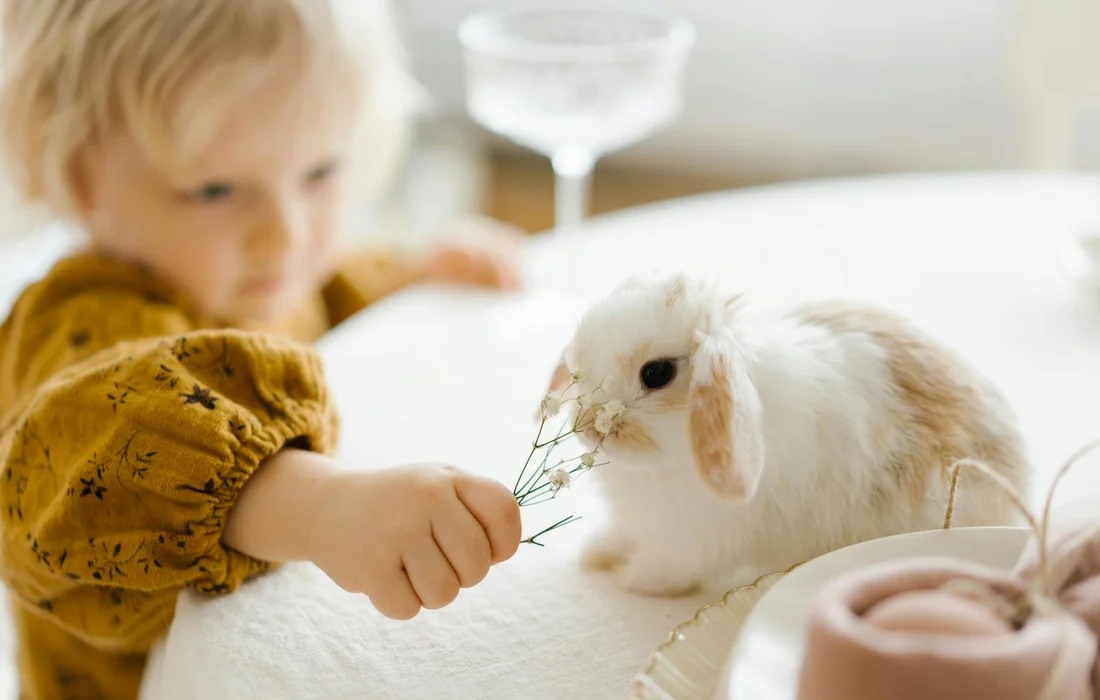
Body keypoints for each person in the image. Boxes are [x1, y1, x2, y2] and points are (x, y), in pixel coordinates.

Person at [0, 1, 524, 697]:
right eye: (216, 190)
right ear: (82, 178)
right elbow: (85, 454)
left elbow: (326, 295)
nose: (283, 235)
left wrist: (412, 275)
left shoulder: (257, 279)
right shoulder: (82, 316)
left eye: (319, 173)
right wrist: (326, 509)